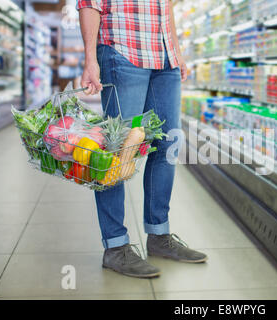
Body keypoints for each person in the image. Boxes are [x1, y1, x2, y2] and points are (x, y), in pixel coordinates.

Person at [77, 0, 207, 278]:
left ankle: (159, 235)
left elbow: (165, 6)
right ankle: (115, 246)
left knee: (168, 144)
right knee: (117, 151)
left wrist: (177, 52)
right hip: (124, 51)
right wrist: (90, 59)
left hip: (164, 57)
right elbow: (89, 3)